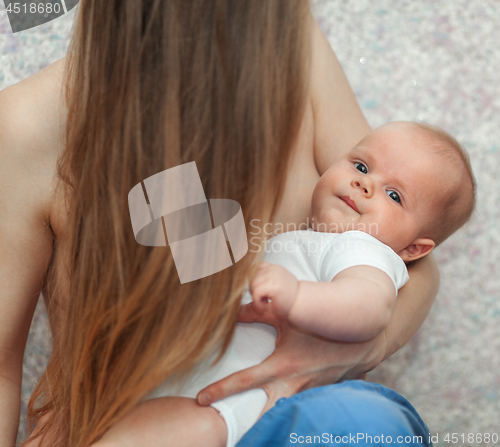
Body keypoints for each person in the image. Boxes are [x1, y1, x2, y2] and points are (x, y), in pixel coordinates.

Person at [0, 1, 439, 446]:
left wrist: (355, 345)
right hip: (145, 425)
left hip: (285, 419)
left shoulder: (288, 36)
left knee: (368, 424)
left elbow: (398, 247)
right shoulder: (25, 125)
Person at [89, 122, 474, 447]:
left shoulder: (364, 248)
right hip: (195, 378)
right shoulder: (308, 239)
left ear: (412, 249)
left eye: (394, 195)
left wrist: (297, 296)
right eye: (360, 165)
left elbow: (370, 307)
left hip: (242, 400)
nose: (364, 184)